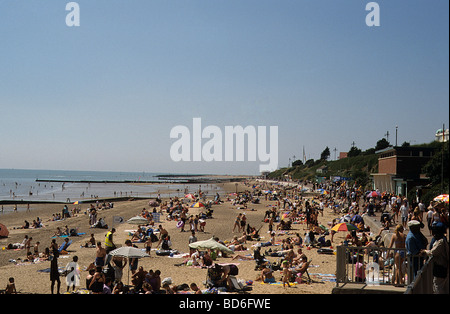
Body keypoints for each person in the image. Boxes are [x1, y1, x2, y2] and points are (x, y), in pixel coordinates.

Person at [420, 222, 449, 294]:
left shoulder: (441, 242)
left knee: (438, 286)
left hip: (441, 266)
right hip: (442, 266)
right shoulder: (443, 240)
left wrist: (425, 251)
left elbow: (433, 252)